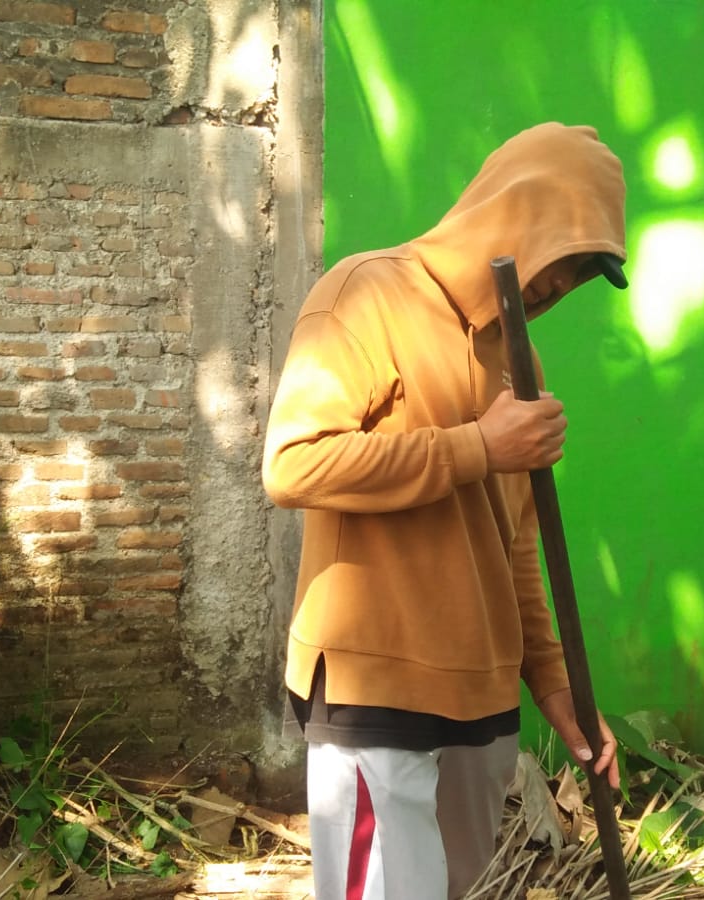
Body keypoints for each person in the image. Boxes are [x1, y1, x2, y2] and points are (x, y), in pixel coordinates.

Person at [262, 123, 628, 900]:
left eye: (584, 273)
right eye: (565, 255)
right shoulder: (366, 294)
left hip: (482, 698)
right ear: (516, 209)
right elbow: (293, 464)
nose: (564, 284)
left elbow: (514, 542)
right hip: (375, 685)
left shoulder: (519, 361)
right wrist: (478, 447)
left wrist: (555, 687)